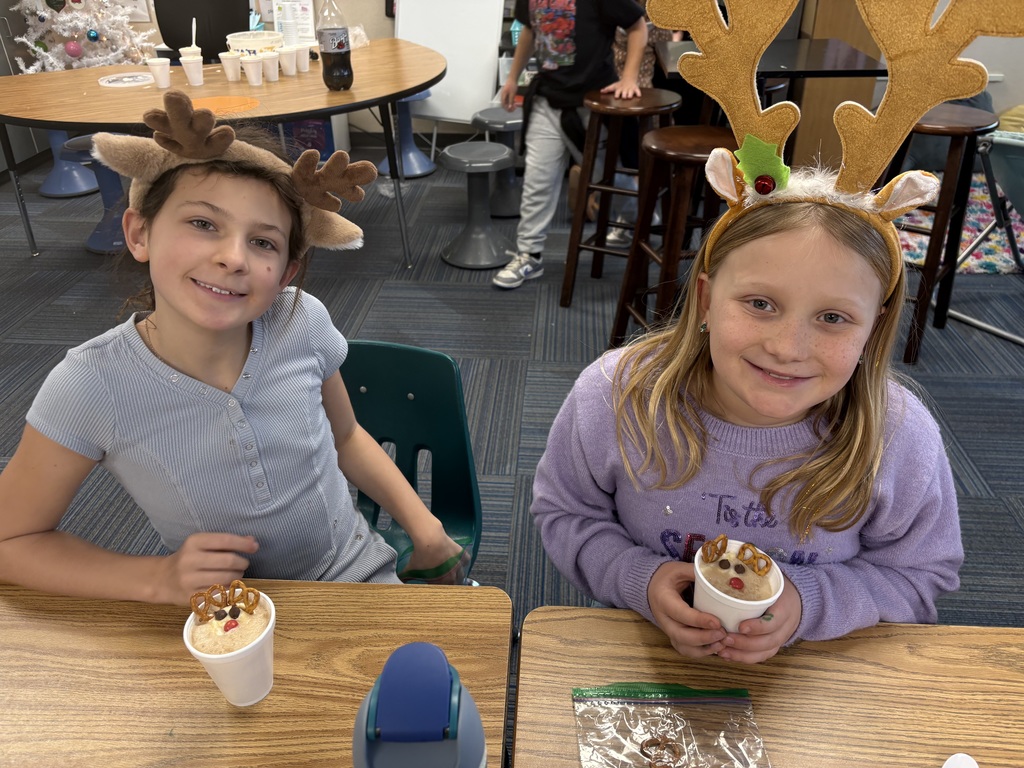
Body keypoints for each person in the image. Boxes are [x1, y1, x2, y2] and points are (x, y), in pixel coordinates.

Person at [0, 90, 467, 605]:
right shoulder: (88, 386)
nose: (232, 257)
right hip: (229, 612)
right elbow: (12, 539)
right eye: (203, 224)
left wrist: (425, 529)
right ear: (139, 234)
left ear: (287, 272)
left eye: (263, 242)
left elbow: (347, 437)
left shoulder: (300, 320)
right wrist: (158, 579)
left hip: (358, 579)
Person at [531, 161, 964, 664]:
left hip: (817, 682)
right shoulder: (615, 396)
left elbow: (921, 573)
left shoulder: (900, 437)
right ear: (706, 299)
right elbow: (565, 512)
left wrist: (809, 602)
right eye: (760, 303)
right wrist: (638, 578)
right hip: (644, 657)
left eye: (832, 318)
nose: (787, 347)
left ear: (873, 327)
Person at [491, 0, 648, 290]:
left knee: (612, 175)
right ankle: (530, 253)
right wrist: (512, 78)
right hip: (548, 100)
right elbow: (529, 31)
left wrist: (628, 77)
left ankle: (630, 221)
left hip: (594, 101)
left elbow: (638, 26)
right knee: (537, 181)